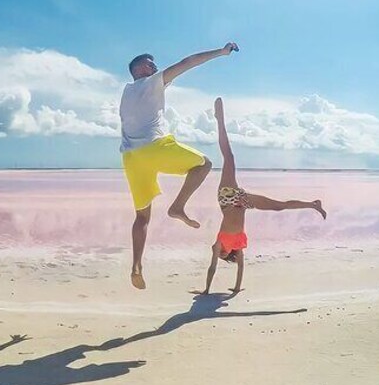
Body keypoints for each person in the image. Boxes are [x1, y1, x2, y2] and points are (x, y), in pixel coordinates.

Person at [121, 43, 239, 290]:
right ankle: (178, 206)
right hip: (153, 148)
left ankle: (136, 266)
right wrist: (221, 52)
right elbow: (187, 63)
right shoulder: (151, 82)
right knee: (204, 164)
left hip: (131, 158)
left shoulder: (127, 92)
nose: (155, 66)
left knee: (142, 217)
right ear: (141, 68)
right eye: (151, 63)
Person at [202, 97, 327, 294]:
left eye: (219, 254)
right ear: (228, 254)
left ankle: (219, 119)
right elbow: (241, 267)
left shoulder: (218, 243)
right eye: (222, 255)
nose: (218, 254)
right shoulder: (238, 243)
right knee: (279, 206)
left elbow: (212, 267)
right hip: (242, 202)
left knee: (229, 157)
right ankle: (313, 204)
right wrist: (235, 289)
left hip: (227, 198)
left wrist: (206, 290)